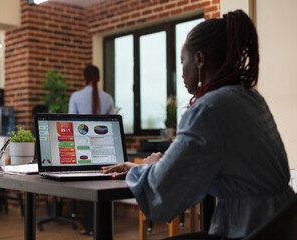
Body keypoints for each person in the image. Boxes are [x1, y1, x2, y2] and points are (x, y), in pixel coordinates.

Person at [102, 10, 295, 240]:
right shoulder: (249, 97)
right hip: (282, 225)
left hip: (248, 230)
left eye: (183, 60)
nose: (181, 72)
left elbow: (163, 199)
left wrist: (147, 166)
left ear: (200, 60)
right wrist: (144, 168)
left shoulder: (209, 109)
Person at [68, 65, 115, 236]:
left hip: (83, 148)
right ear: (99, 77)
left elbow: (71, 123)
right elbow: (111, 124)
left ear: (85, 77)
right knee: (102, 185)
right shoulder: (108, 98)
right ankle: (102, 225)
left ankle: (88, 226)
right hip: (104, 147)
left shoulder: (76, 96)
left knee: (87, 186)